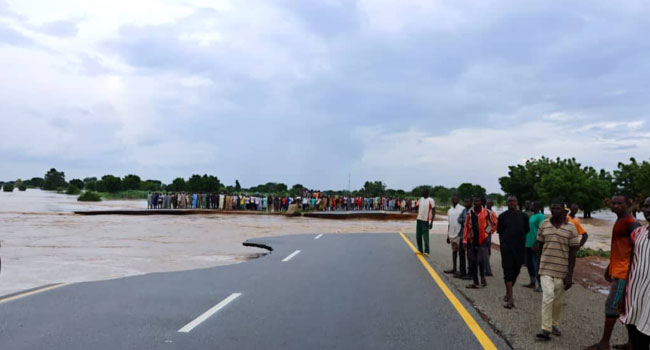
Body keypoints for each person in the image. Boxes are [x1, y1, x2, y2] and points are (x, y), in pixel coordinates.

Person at [585, 195, 640, 350]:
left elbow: (638, 250)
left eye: (619, 203)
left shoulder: (631, 224)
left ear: (628, 204)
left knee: (612, 305)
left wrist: (628, 275)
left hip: (624, 274)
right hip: (618, 270)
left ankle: (604, 343)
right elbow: (622, 249)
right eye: (614, 203)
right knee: (627, 308)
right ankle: (631, 343)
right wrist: (610, 266)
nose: (615, 206)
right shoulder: (620, 220)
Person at [534, 200, 581, 341]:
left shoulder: (571, 228)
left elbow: (573, 253)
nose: (555, 211)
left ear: (563, 210)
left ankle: (554, 324)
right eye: (552, 208)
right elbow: (540, 247)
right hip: (545, 267)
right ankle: (546, 329)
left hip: (562, 269)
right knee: (548, 296)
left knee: (557, 301)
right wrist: (537, 268)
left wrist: (570, 275)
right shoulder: (544, 225)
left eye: (558, 208)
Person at [619, 197, 650, 349]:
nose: (648, 210)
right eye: (646, 206)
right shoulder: (638, 233)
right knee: (637, 335)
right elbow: (632, 262)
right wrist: (624, 291)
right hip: (636, 294)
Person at [497, 195, 530, 308]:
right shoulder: (502, 217)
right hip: (506, 248)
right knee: (508, 271)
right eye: (509, 201)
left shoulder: (524, 216)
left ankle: (508, 292)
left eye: (514, 201)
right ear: (507, 203)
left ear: (517, 203)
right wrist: (502, 245)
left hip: (519, 248)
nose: (511, 203)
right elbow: (500, 233)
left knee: (516, 270)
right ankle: (510, 298)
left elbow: (526, 231)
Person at [463, 196, 498, 289]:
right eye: (475, 201)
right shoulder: (470, 213)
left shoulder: (487, 213)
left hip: (483, 241)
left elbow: (494, 223)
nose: (476, 203)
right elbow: (466, 227)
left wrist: (487, 232)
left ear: (482, 202)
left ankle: (482, 278)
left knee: (481, 261)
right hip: (472, 240)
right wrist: (465, 240)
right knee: (473, 262)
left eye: (478, 201)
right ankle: (475, 282)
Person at [524, 201, 545, 291]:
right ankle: (532, 282)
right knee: (529, 264)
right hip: (527, 243)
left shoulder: (541, 216)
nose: (530, 206)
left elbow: (542, 230)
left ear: (536, 206)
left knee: (536, 264)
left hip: (535, 244)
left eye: (532, 205)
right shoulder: (532, 216)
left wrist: (536, 243)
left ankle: (540, 285)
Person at [444, 194, 465, 274]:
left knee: (461, 253)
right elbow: (449, 224)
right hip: (452, 234)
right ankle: (454, 268)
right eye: (453, 199)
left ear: (458, 200)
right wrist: (448, 236)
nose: (454, 200)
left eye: (455, 199)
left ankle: (461, 270)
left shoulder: (462, 209)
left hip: (459, 234)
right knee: (454, 251)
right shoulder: (449, 210)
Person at [455, 197, 472, 280]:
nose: (466, 203)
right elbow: (459, 219)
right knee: (461, 254)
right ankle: (462, 272)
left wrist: (465, 221)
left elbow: (470, 222)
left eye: (467, 201)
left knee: (470, 256)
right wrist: (465, 221)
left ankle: (470, 274)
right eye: (465, 201)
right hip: (462, 235)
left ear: (471, 202)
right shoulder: (464, 210)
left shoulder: (473, 211)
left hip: (470, 237)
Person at [414, 188, 436, 256]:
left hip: (425, 221)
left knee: (425, 237)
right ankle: (420, 250)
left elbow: (434, 212)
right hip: (419, 220)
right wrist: (405, 210)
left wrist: (431, 222)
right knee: (418, 236)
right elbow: (416, 207)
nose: (421, 192)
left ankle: (427, 251)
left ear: (426, 192)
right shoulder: (420, 199)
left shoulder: (431, 200)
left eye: (422, 191)